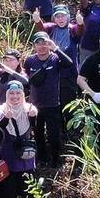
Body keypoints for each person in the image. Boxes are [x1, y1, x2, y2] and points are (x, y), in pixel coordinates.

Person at [0, 83, 40, 198]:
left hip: (26, 155)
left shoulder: (29, 108)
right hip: (8, 156)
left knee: (28, 187)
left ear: (22, 94)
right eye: (11, 93)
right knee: (8, 188)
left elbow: (35, 128)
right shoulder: (0, 110)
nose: (15, 96)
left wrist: (33, 116)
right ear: (7, 95)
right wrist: (7, 118)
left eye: (18, 93)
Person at [25, 32, 70, 167]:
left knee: (54, 135)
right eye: (38, 43)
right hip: (35, 106)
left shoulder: (55, 58)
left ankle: (56, 160)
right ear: (34, 46)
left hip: (52, 105)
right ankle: (42, 158)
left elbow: (69, 63)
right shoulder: (30, 60)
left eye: (44, 43)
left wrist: (55, 48)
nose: (42, 46)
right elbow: (27, 78)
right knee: (38, 134)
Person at [35, 5, 83, 105]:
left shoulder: (72, 29)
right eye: (58, 16)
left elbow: (80, 31)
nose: (60, 19)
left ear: (68, 17)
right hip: (53, 73)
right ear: (54, 18)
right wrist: (37, 20)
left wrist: (80, 23)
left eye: (63, 16)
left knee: (69, 104)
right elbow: (42, 30)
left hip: (70, 74)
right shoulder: (51, 28)